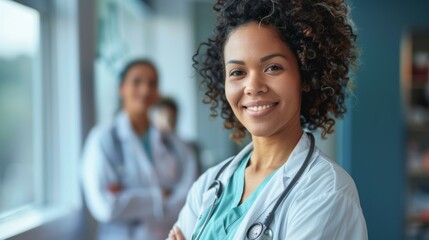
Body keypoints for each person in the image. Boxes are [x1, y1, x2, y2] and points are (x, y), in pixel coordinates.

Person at [168, 0, 367, 239]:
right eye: (238, 72)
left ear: (304, 76)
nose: (252, 87)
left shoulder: (327, 191)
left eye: (273, 67)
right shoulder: (208, 185)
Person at [81, 59, 197, 240]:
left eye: (152, 83)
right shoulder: (102, 139)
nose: (145, 90)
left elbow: (188, 198)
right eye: (136, 82)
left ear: (158, 92)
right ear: (121, 88)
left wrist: (128, 197)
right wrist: (161, 196)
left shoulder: (173, 143)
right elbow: (105, 207)